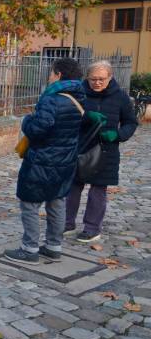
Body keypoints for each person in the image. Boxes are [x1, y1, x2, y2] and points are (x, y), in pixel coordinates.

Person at [4, 58, 85, 265]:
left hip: (42, 160)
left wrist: (27, 120)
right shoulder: (80, 97)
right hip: (65, 160)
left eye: (51, 73)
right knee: (57, 202)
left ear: (58, 75)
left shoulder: (52, 99)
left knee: (29, 203)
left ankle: (29, 248)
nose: (49, 77)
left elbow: (39, 129)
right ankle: (53, 247)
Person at [65, 60, 138, 243]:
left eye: (101, 79)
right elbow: (67, 117)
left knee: (98, 191)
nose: (97, 82)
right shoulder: (78, 94)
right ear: (87, 78)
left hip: (107, 150)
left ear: (110, 77)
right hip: (80, 147)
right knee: (72, 188)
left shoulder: (120, 97)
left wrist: (118, 134)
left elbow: (131, 122)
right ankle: (66, 223)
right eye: (93, 79)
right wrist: (86, 118)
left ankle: (91, 228)